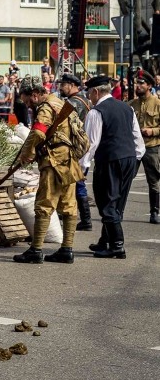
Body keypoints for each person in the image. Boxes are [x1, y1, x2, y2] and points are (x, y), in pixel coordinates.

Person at [12, 77, 85, 264]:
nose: (28, 106)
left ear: (35, 95)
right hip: (69, 160)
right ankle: (67, 249)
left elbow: (37, 132)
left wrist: (26, 153)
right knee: (69, 206)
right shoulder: (61, 103)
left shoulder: (46, 107)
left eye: (28, 101)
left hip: (53, 161)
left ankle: (36, 250)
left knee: (44, 205)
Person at [80, 75, 145, 258]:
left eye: (89, 94)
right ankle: (105, 241)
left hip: (109, 160)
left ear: (95, 92)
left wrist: (82, 168)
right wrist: (134, 161)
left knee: (107, 203)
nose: (89, 98)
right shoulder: (127, 108)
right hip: (129, 158)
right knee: (117, 203)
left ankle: (117, 245)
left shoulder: (97, 112)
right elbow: (138, 141)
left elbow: (90, 144)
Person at [58, 73, 94, 230]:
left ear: (72, 85)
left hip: (75, 148)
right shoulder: (85, 99)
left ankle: (85, 219)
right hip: (83, 146)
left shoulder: (73, 102)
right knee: (76, 181)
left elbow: (61, 123)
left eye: (63, 85)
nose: (61, 88)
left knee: (77, 182)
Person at [128, 71, 160, 224]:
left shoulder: (157, 103)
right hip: (134, 147)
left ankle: (155, 211)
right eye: (136, 83)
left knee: (153, 181)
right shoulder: (132, 104)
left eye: (141, 83)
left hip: (152, 146)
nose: (138, 86)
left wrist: (152, 130)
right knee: (126, 178)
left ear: (149, 86)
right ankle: (118, 210)